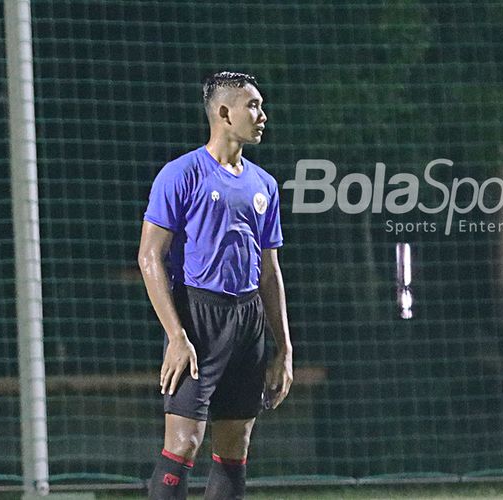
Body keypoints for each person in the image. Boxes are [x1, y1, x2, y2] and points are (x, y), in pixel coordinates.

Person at [137, 71, 293, 500]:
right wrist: (175, 336)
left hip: (248, 320)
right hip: (197, 318)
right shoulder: (181, 174)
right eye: (253, 106)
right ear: (224, 113)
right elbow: (149, 257)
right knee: (184, 443)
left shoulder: (264, 184)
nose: (262, 115)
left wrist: (284, 347)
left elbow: (269, 271)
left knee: (235, 446)